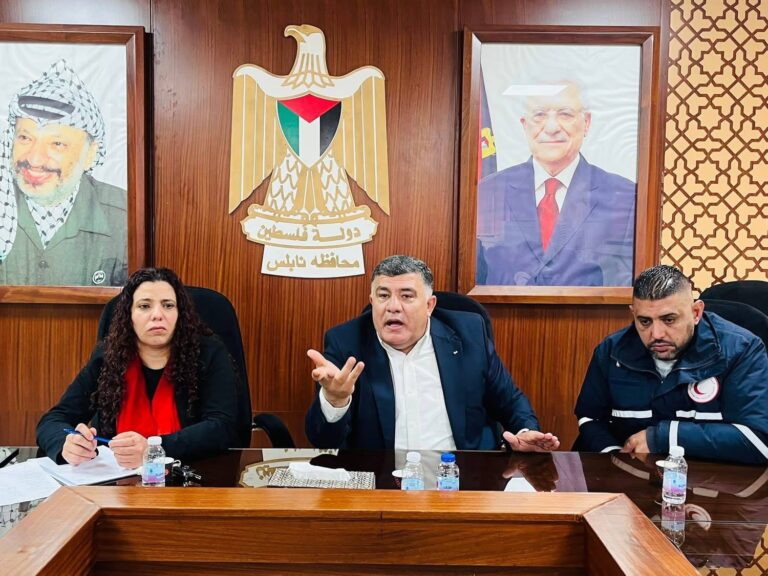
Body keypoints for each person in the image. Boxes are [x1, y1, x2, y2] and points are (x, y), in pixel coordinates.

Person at [305, 254, 560, 451]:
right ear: (372, 302)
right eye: (383, 296)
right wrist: (335, 401)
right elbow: (323, 441)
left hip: (462, 478)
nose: (393, 307)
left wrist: (525, 432)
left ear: (429, 305)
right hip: (381, 484)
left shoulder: (469, 334)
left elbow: (510, 401)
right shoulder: (346, 343)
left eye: (406, 296)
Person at [36, 267, 240, 467]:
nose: (157, 315)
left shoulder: (208, 354)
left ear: (180, 313)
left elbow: (223, 428)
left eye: (168, 305)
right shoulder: (109, 357)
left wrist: (154, 449)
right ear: (129, 315)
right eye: (144, 306)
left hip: (192, 476)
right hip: (117, 479)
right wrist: (67, 444)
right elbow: (53, 420)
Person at [574, 265, 768, 465]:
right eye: (645, 321)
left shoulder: (740, 350)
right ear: (633, 314)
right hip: (633, 475)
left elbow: (759, 440)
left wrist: (661, 438)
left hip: (712, 478)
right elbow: (590, 419)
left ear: (696, 312)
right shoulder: (611, 351)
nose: (656, 334)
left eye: (669, 319)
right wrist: (616, 459)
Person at [477, 79, 636, 287]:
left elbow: (625, 283)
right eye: (539, 115)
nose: (551, 127)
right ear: (524, 124)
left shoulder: (624, 196)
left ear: (586, 122)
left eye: (565, 114)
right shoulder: (488, 191)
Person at [0, 59, 127, 286]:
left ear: (90, 154)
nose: (35, 159)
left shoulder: (125, 216)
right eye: (25, 138)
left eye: (57, 143)